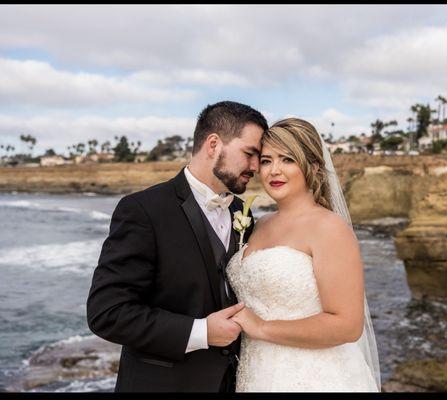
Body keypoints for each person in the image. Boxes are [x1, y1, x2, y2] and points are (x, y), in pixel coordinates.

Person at [86, 101, 268, 392]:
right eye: (250, 154)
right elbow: (107, 313)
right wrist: (202, 332)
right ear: (213, 144)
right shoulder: (142, 210)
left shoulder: (241, 213)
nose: (256, 167)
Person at [225, 118, 381, 391]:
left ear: (313, 166)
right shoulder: (260, 224)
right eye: (266, 161)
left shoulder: (329, 228)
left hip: (314, 377)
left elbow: (347, 325)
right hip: (256, 373)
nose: (274, 171)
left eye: (287, 160)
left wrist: (261, 328)